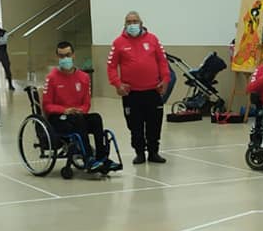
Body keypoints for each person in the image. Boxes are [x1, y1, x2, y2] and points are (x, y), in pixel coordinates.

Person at [43, 41, 120, 173]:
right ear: (57, 57)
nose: (65, 59)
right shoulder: (51, 78)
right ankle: (88, 158)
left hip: (78, 115)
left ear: (73, 55)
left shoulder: (83, 77)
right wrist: (64, 110)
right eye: (61, 56)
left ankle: (102, 157)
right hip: (59, 118)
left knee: (95, 118)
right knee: (78, 120)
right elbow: (47, 105)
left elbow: (86, 103)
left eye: (68, 55)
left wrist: (81, 110)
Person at [107, 11, 170, 164]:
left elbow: (162, 61)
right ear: (125, 25)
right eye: (129, 22)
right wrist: (117, 84)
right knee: (135, 125)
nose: (132, 25)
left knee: (154, 124)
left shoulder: (153, 39)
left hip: (153, 91)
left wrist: (165, 80)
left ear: (141, 23)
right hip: (131, 94)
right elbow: (111, 66)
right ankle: (139, 153)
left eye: (135, 21)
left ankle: (154, 152)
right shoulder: (118, 43)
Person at [0, 17, 14, 91]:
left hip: (3, 53)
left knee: (7, 68)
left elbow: (4, 41)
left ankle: (10, 85)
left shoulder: (4, 32)